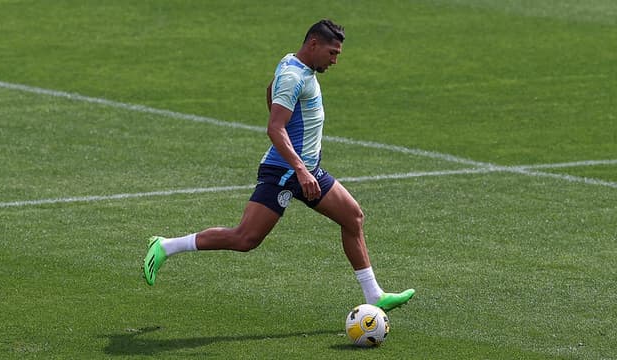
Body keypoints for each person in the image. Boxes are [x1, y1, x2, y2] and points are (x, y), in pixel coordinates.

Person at [143, 19, 415, 311]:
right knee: (245, 238)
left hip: (307, 171)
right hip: (287, 172)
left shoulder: (293, 64)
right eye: (332, 52)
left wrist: (304, 166)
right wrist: (299, 168)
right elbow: (275, 127)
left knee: (353, 217)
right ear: (313, 44)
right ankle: (165, 246)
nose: (335, 60)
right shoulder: (293, 76)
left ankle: (374, 295)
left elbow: (269, 91)